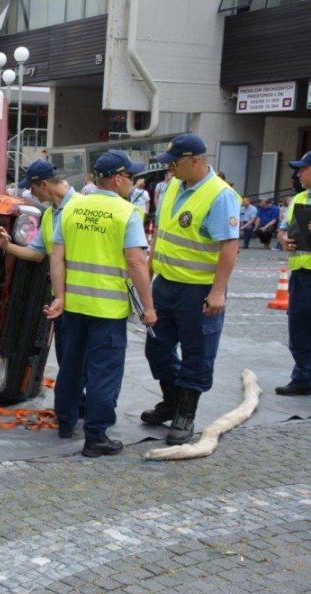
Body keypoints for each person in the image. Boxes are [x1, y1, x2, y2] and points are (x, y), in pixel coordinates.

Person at [45, 150, 156, 457]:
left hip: (74, 305)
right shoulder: (127, 213)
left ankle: (66, 421)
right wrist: (148, 307)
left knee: (71, 365)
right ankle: (95, 436)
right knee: (103, 372)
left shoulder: (72, 208)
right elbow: (137, 263)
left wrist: (60, 296)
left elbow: (57, 257)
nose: (133, 182)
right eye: (130, 176)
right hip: (108, 310)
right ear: (118, 179)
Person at [142, 133, 240, 445]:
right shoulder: (173, 185)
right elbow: (161, 233)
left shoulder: (220, 195)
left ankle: (185, 414)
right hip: (165, 284)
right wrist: (149, 271)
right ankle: (171, 401)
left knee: (197, 353)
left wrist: (218, 291)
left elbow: (229, 246)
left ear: (194, 161)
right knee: (156, 347)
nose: (169, 169)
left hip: (198, 290)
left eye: (174, 163)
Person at [0, 160, 86, 435]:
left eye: (32, 188)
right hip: (62, 302)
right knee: (68, 360)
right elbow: (37, 253)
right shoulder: (49, 215)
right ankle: (76, 409)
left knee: (83, 362)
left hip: (85, 299)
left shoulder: (81, 208)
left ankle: (75, 415)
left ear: (44, 184)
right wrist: (7, 245)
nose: (30, 193)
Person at [274, 151, 311, 396]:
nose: (298, 174)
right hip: (302, 274)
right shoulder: (299, 198)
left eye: (303, 169)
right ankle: (304, 377)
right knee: (299, 326)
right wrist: (283, 239)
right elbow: (283, 229)